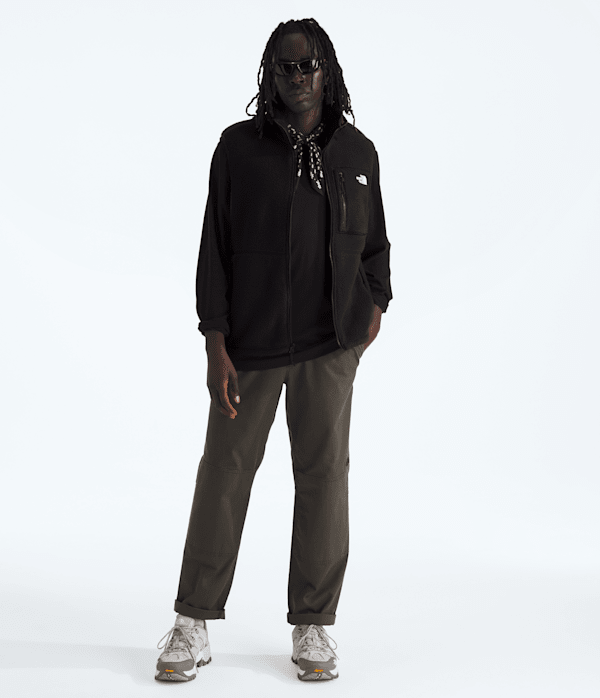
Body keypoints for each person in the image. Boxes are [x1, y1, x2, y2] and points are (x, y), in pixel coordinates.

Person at [155, 17, 392, 683]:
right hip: (251, 347)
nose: (297, 77)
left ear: (327, 70)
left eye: (308, 64)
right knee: (223, 475)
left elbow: (376, 245)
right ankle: (193, 620)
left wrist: (372, 308)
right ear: (270, 73)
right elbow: (215, 248)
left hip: (329, 348)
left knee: (324, 478)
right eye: (285, 66)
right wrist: (215, 340)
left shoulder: (358, 152)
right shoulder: (238, 148)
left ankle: (313, 624)